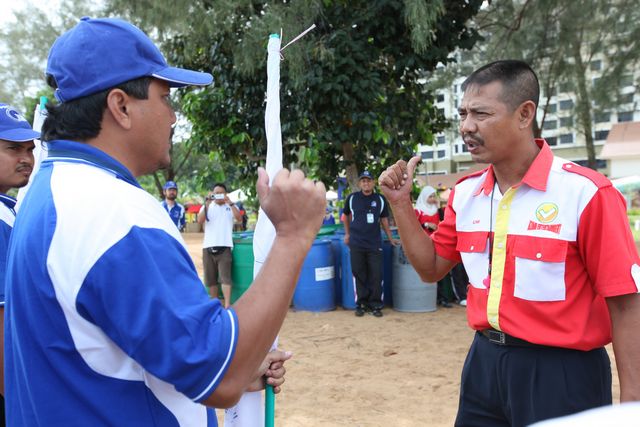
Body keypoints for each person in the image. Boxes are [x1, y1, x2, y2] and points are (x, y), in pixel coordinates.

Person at [4, 17, 326, 426]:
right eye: (166, 98)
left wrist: (239, 363)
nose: (173, 117)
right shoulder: (111, 212)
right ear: (121, 106)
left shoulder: (53, 190)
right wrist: (292, 236)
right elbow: (221, 375)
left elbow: (110, 349)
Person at [379, 60, 640, 426]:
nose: (467, 126)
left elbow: (626, 305)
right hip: (484, 364)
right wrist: (400, 204)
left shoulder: (586, 193)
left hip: (561, 373)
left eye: (481, 113)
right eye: (463, 114)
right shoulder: (466, 194)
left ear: (524, 114)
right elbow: (430, 267)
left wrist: (632, 407)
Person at [0, 103, 38, 426]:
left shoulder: (8, 208)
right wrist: (15, 400)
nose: (26, 158)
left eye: (29, 149)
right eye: (13, 149)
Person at [343, 170, 399, 317]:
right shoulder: (352, 198)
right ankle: (361, 304)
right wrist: (347, 234)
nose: (366, 183)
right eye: (363, 181)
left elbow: (384, 220)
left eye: (368, 180)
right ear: (359, 183)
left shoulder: (380, 199)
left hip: (374, 244)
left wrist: (390, 237)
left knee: (376, 275)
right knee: (358, 273)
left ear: (373, 183)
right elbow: (345, 216)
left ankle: (376, 305)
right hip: (356, 243)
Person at [197, 183, 243, 307]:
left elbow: (239, 219)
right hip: (208, 246)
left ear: (225, 194)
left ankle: (227, 305)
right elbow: (199, 220)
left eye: (221, 193)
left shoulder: (230, 206)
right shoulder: (207, 206)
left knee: (225, 278)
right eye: (216, 193)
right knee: (210, 279)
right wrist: (207, 203)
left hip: (225, 246)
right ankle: (214, 303)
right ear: (212, 194)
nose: (218, 195)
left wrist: (230, 203)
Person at [414, 186, 455, 307]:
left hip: (438, 243)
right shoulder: (418, 211)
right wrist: (426, 224)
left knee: (440, 272)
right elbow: (414, 227)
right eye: (430, 196)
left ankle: (443, 298)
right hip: (424, 245)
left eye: (433, 196)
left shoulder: (437, 210)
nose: (432, 199)